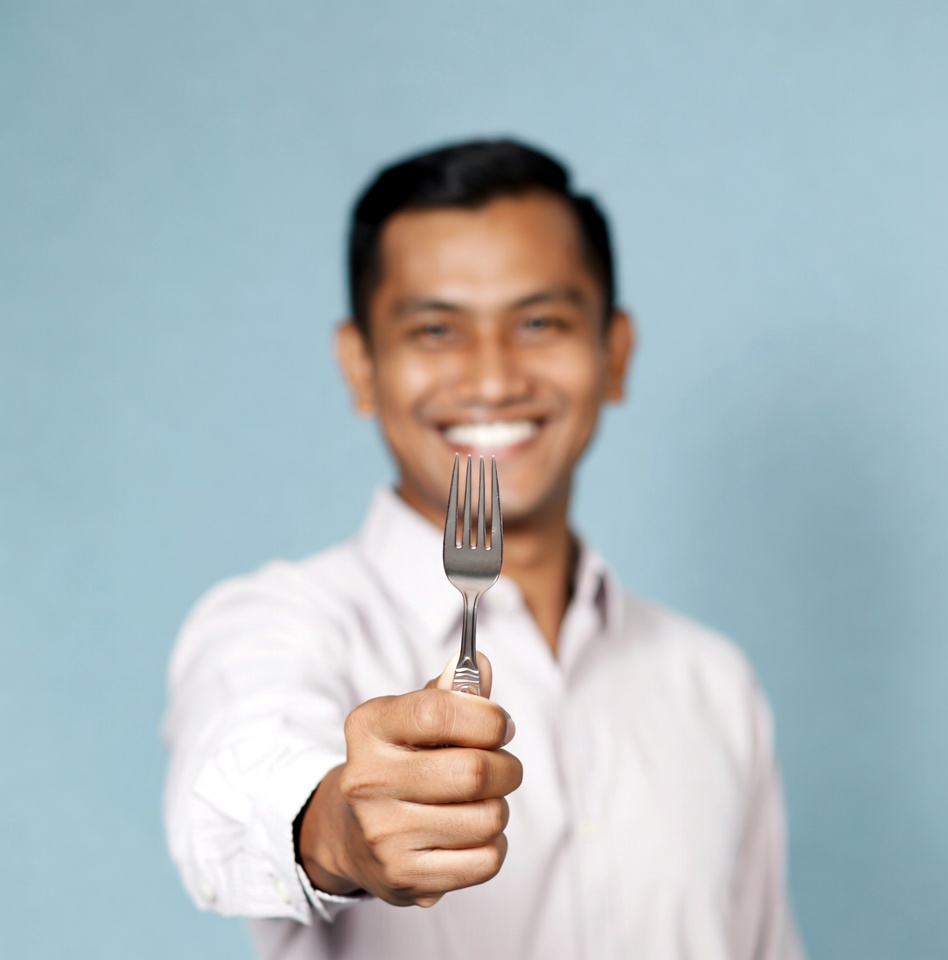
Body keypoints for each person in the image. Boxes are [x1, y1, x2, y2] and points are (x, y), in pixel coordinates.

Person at [163, 139, 804, 959]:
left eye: (539, 322)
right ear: (361, 367)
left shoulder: (712, 682)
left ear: (614, 353)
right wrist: (339, 830)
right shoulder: (278, 623)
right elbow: (236, 781)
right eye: (436, 330)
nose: (494, 378)